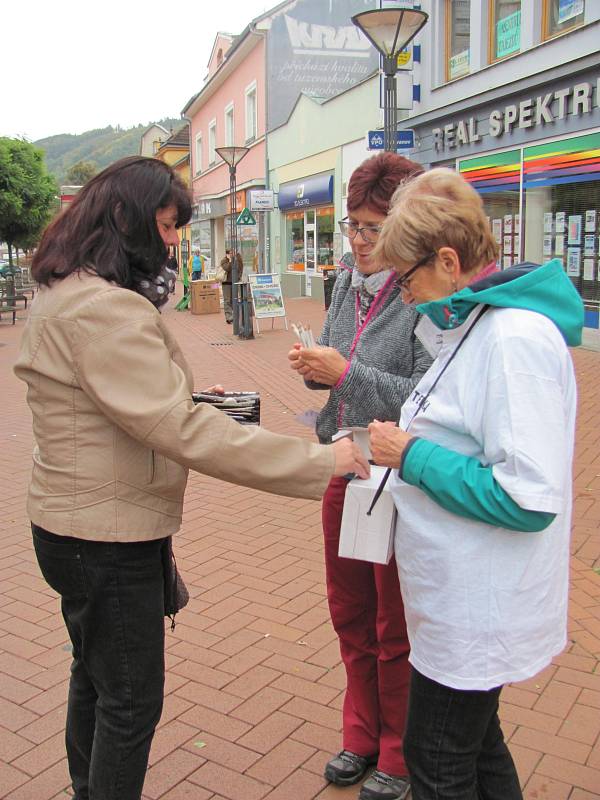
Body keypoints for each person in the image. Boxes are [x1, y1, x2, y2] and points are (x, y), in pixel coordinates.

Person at [14, 156, 369, 800]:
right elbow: (181, 432)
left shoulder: (68, 291)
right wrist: (322, 463)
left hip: (70, 524)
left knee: (94, 678)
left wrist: (184, 397)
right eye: (169, 224)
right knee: (129, 702)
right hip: (106, 535)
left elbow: (116, 405)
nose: (175, 240)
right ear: (127, 219)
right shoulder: (105, 309)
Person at [367, 167, 583, 800]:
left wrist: (411, 455)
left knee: (436, 761)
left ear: (448, 260)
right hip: (458, 602)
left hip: (477, 607)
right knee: (477, 749)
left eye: (405, 278)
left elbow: (527, 495)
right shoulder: (480, 327)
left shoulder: (514, 339)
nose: (400, 294)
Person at [289, 153, 432, 800]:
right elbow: (340, 363)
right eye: (353, 227)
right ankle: (361, 734)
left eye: (375, 229)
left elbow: (428, 397)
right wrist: (317, 373)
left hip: (397, 478)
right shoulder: (347, 282)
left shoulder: (427, 294)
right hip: (345, 469)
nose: (361, 243)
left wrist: (342, 373)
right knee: (349, 613)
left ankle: (399, 753)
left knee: (392, 624)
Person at [219, 248, 233, 323]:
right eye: (230, 253)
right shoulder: (224, 261)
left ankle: (234, 316)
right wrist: (230, 261)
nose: (231, 255)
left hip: (233, 282)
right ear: (227, 254)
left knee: (233, 300)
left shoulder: (235, 260)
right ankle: (229, 317)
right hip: (226, 283)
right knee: (227, 300)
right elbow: (227, 268)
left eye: (232, 253)